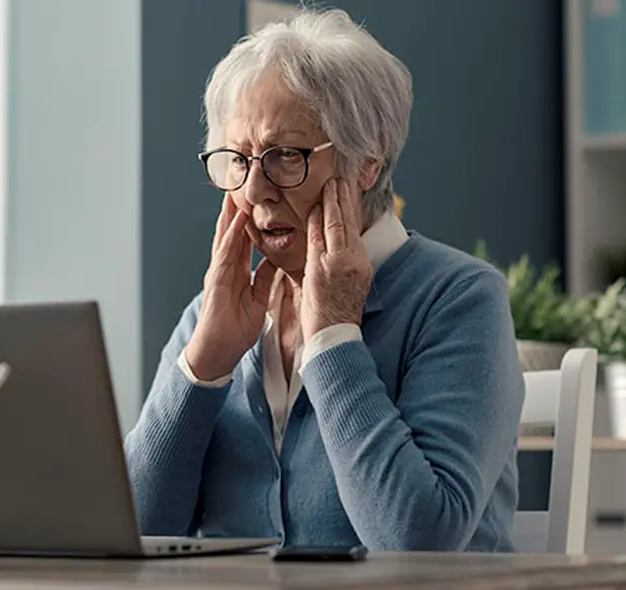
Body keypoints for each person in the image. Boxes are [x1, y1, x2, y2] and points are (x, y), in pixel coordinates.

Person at [124, 6, 525, 552]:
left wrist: (334, 335)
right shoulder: (211, 315)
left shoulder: (459, 299)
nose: (256, 189)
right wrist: (203, 367)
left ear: (367, 163)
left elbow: (417, 543)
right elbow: (130, 535)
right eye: (238, 160)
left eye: (284, 156)